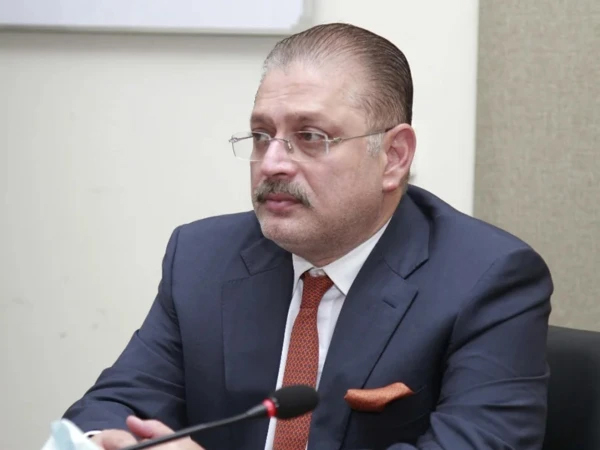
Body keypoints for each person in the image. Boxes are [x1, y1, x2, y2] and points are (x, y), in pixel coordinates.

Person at [63, 23, 553, 450]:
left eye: (311, 137)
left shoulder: (487, 279)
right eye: (261, 136)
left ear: (394, 156)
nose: (272, 162)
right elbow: (113, 406)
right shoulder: (201, 258)